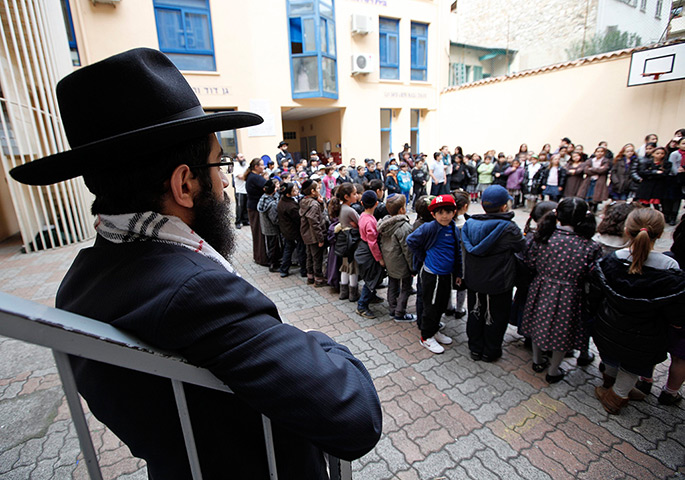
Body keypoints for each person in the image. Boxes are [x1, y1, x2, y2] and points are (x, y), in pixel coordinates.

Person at [9, 48, 382, 479]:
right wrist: (317, 341)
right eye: (219, 164)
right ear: (185, 184)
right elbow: (356, 415)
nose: (224, 182)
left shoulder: (78, 281)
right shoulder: (196, 291)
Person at [590, 208, 685, 414]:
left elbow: (595, 295)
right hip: (646, 333)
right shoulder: (669, 267)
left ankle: (613, 388)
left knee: (611, 355)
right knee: (633, 364)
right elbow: (675, 308)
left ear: (627, 230)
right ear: (661, 234)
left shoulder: (611, 260)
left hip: (609, 325)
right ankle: (617, 396)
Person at [520, 197, 601, 383]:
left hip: (541, 287)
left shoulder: (542, 237)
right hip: (570, 294)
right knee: (563, 331)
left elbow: (530, 262)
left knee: (537, 323)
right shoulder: (590, 246)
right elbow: (591, 274)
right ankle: (554, 370)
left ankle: (537, 360)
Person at [462, 185, 525, 362]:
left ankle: (475, 349)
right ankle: (490, 351)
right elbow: (521, 247)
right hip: (499, 282)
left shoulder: (470, 224)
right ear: (504, 206)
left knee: (475, 312)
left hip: (474, 280)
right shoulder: (509, 228)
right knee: (497, 317)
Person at [407, 195, 463, 354]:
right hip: (433, 275)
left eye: (448, 212)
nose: (444, 216)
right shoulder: (429, 227)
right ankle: (426, 337)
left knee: (440, 305)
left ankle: (434, 330)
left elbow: (457, 251)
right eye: (440, 212)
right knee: (430, 306)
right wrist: (423, 257)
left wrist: (458, 272)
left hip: (447, 274)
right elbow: (411, 241)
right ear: (433, 214)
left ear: (454, 212)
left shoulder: (452, 227)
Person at [378, 194, 415, 322]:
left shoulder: (384, 223)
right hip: (401, 263)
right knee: (406, 288)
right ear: (401, 210)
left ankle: (392, 309)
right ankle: (400, 313)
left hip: (389, 260)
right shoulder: (404, 227)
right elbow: (408, 250)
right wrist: (412, 267)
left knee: (392, 285)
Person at [355, 191, 386, 319]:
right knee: (371, 278)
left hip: (363, 248)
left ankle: (371, 296)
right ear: (376, 203)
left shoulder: (363, 216)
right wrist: (379, 259)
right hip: (368, 252)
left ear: (362, 203)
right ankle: (362, 306)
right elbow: (372, 243)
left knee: (372, 277)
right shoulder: (370, 221)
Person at [331, 183, 361, 302]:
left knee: (344, 267)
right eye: (354, 194)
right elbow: (360, 223)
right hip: (351, 241)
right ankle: (353, 293)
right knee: (353, 267)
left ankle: (344, 292)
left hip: (343, 240)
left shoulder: (341, 207)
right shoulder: (350, 210)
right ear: (347, 197)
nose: (357, 196)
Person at [300, 179, 327, 287]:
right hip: (314, 236)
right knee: (317, 257)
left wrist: (321, 203)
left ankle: (310, 277)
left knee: (310, 256)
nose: (319, 190)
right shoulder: (313, 205)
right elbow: (315, 223)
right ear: (312, 191)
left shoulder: (304, 201)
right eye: (317, 188)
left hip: (306, 235)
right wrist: (320, 238)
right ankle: (318, 279)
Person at [277, 182, 307, 278]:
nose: (297, 191)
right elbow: (298, 219)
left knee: (288, 250)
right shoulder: (291, 206)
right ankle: (303, 270)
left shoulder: (282, 201)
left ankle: (284, 269)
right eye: (294, 190)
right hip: (294, 232)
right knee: (300, 251)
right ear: (288, 194)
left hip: (286, 230)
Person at [244, 157, 270, 266]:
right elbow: (269, 185)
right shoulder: (255, 178)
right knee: (259, 233)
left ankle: (259, 256)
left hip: (252, 207)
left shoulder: (251, 176)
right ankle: (261, 258)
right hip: (255, 208)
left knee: (257, 233)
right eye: (262, 165)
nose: (264, 167)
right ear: (256, 167)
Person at [257, 179, 281, 272]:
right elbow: (275, 220)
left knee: (270, 246)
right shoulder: (272, 204)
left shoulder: (263, 198)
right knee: (273, 248)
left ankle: (272, 262)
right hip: (272, 229)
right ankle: (273, 265)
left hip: (265, 227)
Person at [578, 146, 611, 212]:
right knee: (587, 196)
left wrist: (592, 169)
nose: (599, 153)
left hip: (599, 181)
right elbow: (586, 170)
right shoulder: (590, 160)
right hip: (589, 181)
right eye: (598, 151)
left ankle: (593, 210)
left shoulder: (605, 161)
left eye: (601, 152)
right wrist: (598, 169)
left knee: (596, 197)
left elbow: (603, 170)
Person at [232, 153, 250, 229]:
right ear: (237, 159)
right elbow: (241, 177)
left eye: (243, 156)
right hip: (239, 190)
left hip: (246, 189)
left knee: (246, 206)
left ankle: (245, 220)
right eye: (241, 157)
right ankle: (238, 222)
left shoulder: (247, 165)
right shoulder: (236, 167)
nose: (243, 158)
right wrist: (247, 175)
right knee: (240, 206)